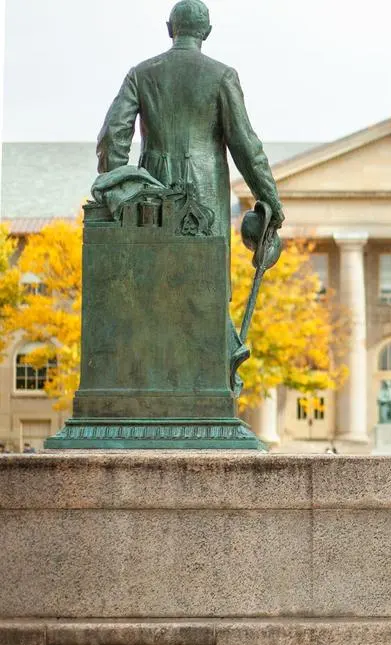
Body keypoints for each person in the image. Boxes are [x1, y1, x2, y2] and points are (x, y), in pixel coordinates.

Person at [97, 0, 284, 392]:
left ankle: (151, 384)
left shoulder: (141, 74)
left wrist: (119, 187)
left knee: (150, 285)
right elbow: (247, 146)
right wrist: (271, 201)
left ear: (169, 28)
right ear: (208, 32)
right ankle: (204, 386)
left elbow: (113, 135)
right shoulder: (221, 76)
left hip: (151, 193)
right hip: (204, 195)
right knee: (205, 287)